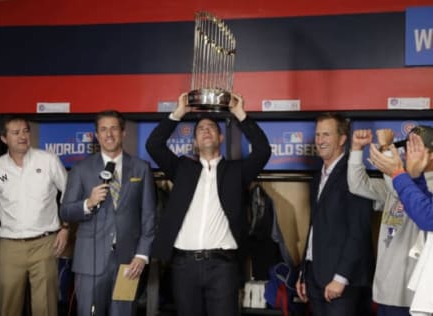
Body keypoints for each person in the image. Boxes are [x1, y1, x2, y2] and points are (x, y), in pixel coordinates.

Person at [146, 92, 271, 316]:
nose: (205, 130)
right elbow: (154, 145)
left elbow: (263, 150)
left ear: (221, 138)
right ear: (194, 142)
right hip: (184, 264)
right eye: (200, 129)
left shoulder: (236, 171)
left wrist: (239, 113)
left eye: (211, 128)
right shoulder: (182, 169)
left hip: (222, 266)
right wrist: (179, 113)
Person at [60, 110, 156, 316]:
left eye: (114, 128)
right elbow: (66, 211)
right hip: (90, 262)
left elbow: (149, 215)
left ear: (123, 133)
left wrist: (141, 254)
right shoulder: (81, 169)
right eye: (103, 129)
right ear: (96, 135)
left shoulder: (141, 168)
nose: (109, 134)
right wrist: (88, 203)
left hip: (128, 262)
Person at [0, 115, 69, 316]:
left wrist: (65, 227)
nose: (22, 136)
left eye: (25, 131)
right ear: (4, 138)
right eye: (16, 133)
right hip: (9, 248)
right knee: (9, 307)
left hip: (44, 244)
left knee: (46, 309)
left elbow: (69, 194)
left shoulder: (48, 160)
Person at [348, 128, 433, 316]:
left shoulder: (420, 184)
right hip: (386, 288)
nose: (409, 154)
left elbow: (410, 199)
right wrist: (355, 150)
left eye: (416, 148)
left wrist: (387, 149)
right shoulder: (402, 181)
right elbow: (357, 185)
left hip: (414, 294)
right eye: (407, 147)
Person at [296, 113, 373, 316]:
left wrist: (341, 278)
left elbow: (359, 231)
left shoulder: (353, 174)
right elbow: (315, 227)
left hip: (341, 282)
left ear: (342, 139)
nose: (320, 140)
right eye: (318, 134)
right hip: (315, 277)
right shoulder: (317, 177)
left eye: (327, 135)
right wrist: (304, 272)